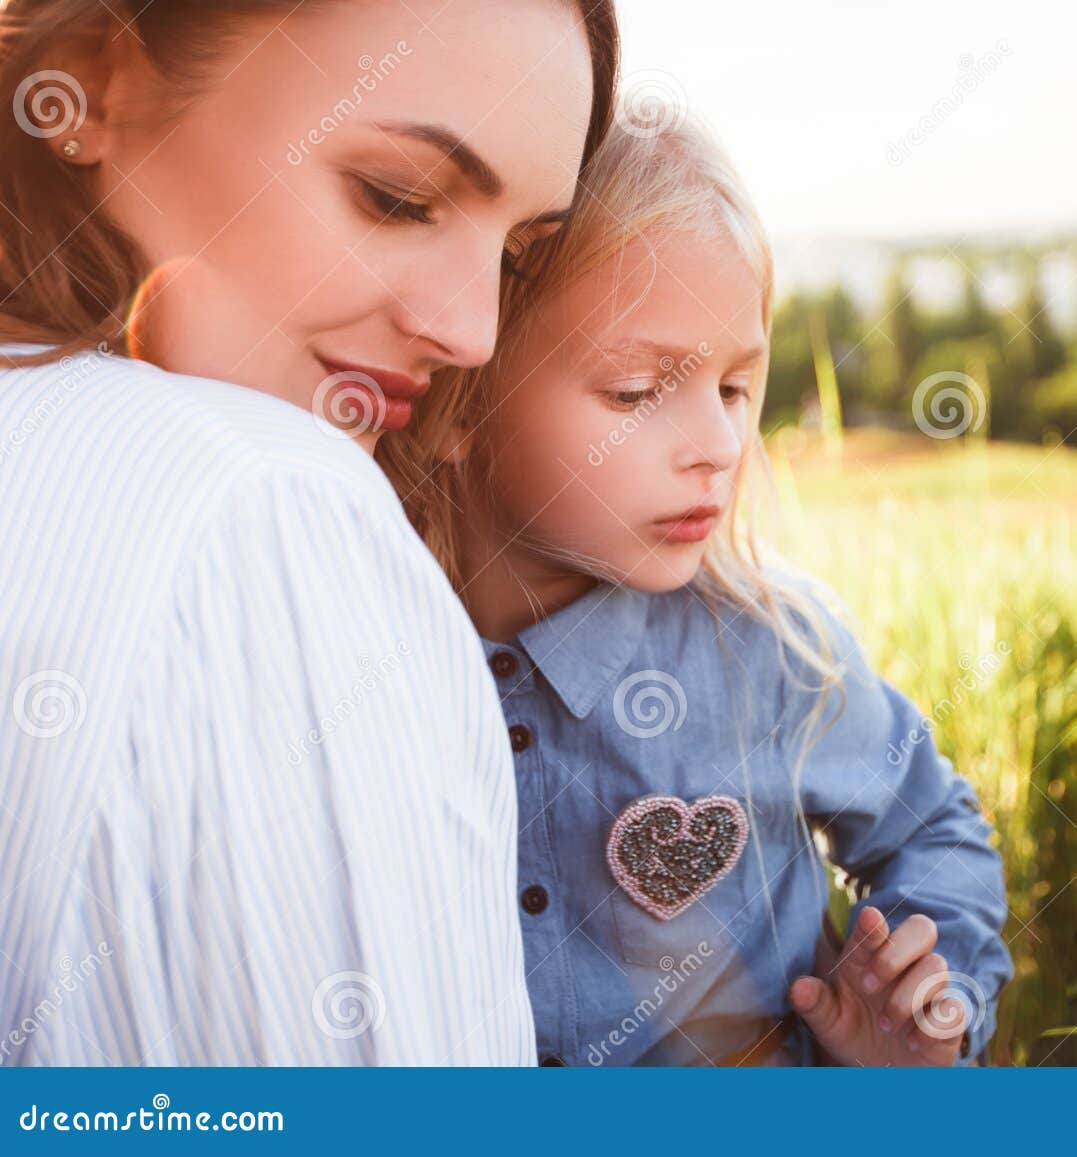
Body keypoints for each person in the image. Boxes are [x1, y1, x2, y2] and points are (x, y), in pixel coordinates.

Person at [0, 0, 619, 1065]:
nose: (471, 332)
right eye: (398, 198)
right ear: (92, 83)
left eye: (517, 258)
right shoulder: (274, 509)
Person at [376, 116, 1014, 1066]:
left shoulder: (771, 649)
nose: (720, 444)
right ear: (455, 405)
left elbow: (934, 826)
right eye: (636, 391)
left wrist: (928, 1005)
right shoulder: (363, 647)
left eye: (734, 388)